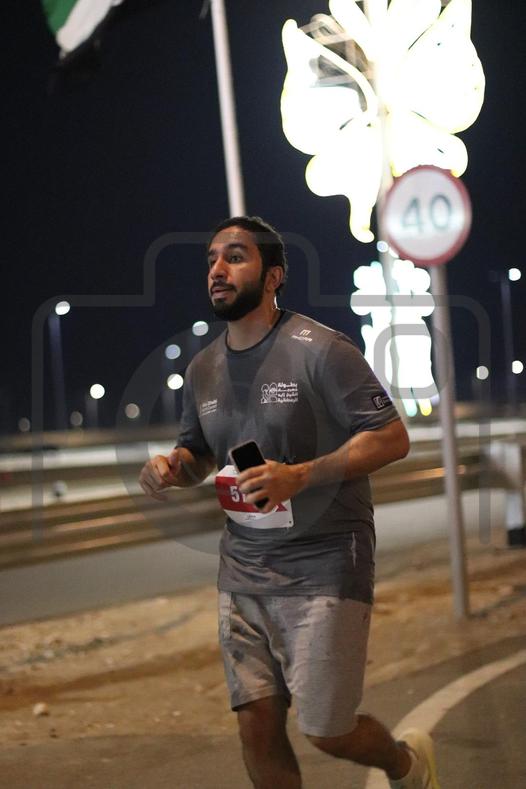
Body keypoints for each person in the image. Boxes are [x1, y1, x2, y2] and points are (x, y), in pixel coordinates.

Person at [139, 216, 440, 789]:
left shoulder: (322, 350)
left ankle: (408, 766)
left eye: (235, 257)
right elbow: (199, 454)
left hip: (326, 562)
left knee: (327, 731)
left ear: (273, 276)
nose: (217, 270)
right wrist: (174, 468)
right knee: (255, 725)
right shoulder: (203, 368)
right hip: (243, 568)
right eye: (211, 260)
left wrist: (300, 476)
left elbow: (391, 438)